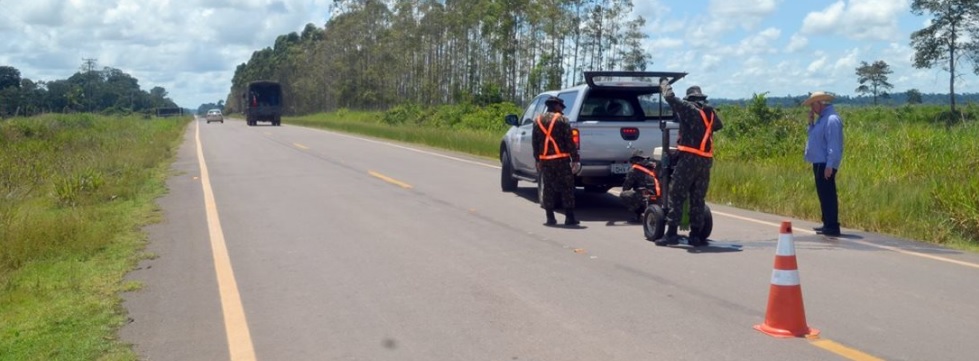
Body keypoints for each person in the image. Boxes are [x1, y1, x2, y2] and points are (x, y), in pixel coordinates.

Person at [656, 79, 723, 247]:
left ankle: (671, 233)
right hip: (705, 161)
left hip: (688, 159)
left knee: (677, 194)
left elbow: (670, 98)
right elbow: (718, 126)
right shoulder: (711, 114)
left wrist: (664, 84)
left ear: (690, 99)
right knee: (697, 198)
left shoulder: (688, 110)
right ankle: (695, 236)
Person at [533, 96, 581, 226]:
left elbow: (535, 143)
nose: (562, 109)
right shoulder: (562, 120)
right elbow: (569, 142)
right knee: (567, 188)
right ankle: (569, 218)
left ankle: (550, 218)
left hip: (545, 161)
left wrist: (537, 160)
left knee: (547, 188)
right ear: (556, 106)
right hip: (562, 160)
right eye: (561, 106)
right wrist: (575, 159)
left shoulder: (537, 121)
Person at [802, 91, 844, 237]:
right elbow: (815, 137)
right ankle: (827, 223)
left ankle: (832, 225)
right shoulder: (822, 119)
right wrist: (811, 122)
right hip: (819, 162)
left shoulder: (831, 119)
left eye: (813, 105)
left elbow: (834, 145)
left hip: (825, 163)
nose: (812, 109)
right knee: (823, 194)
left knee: (828, 194)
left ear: (820, 103)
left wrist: (830, 165)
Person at [620, 149, 661, 223]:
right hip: (660, 195)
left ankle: (638, 214)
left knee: (624, 194)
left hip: (645, 196)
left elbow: (626, 187)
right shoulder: (654, 166)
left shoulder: (634, 169)